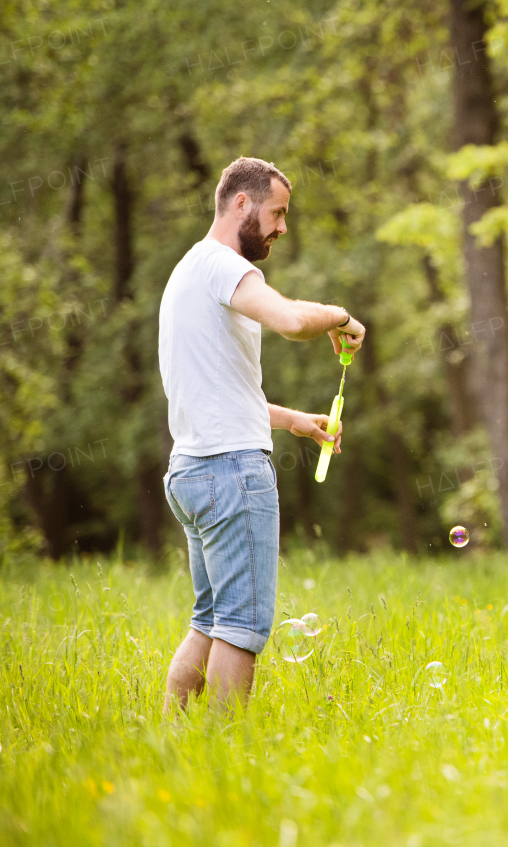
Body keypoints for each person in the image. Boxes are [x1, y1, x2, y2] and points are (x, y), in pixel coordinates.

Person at [158, 156, 366, 712]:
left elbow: (215, 393)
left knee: (209, 619)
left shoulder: (186, 273)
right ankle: (227, 752)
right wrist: (343, 318)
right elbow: (294, 322)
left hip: (190, 472)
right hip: (231, 474)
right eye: (277, 213)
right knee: (241, 627)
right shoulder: (227, 268)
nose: (282, 227)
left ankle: (175, 738)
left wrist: (295, 420)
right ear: (242, 204)